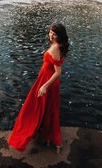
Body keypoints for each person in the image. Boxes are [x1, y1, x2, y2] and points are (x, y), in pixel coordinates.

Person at [7, 23, 70, 153]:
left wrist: (45, 86)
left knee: (34, 109)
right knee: (47, 110)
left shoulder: (56, 48)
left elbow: (58, 72)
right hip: (45, 80)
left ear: (59, 35)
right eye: (50, 32)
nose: (51, 35)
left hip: (47, 83)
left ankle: (54, 140)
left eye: (54, 33)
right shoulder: (57, 45)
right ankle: (47, 137)